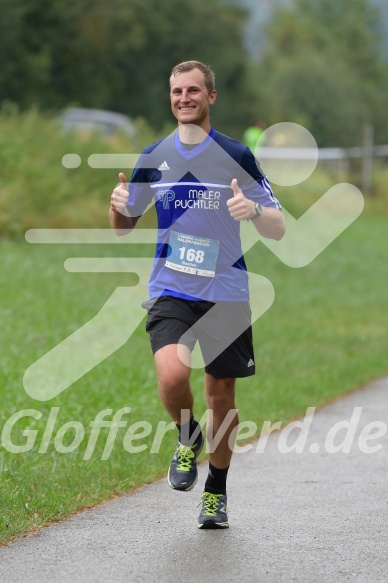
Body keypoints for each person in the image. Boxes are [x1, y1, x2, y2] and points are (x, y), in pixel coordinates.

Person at [109, 60, 285, 529]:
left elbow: (279, 227)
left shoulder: (236, 155)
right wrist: (119, 209)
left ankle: (216, 492)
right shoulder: (153, 156)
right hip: (171, 286)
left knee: (220, 395)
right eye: (176, 92)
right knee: (171, 377)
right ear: (170, 97)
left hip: (226, 290)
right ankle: (188, 438)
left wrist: (252, 211)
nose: (183, 98)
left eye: (192, 91)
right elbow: (126, 227)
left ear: (211, 97)